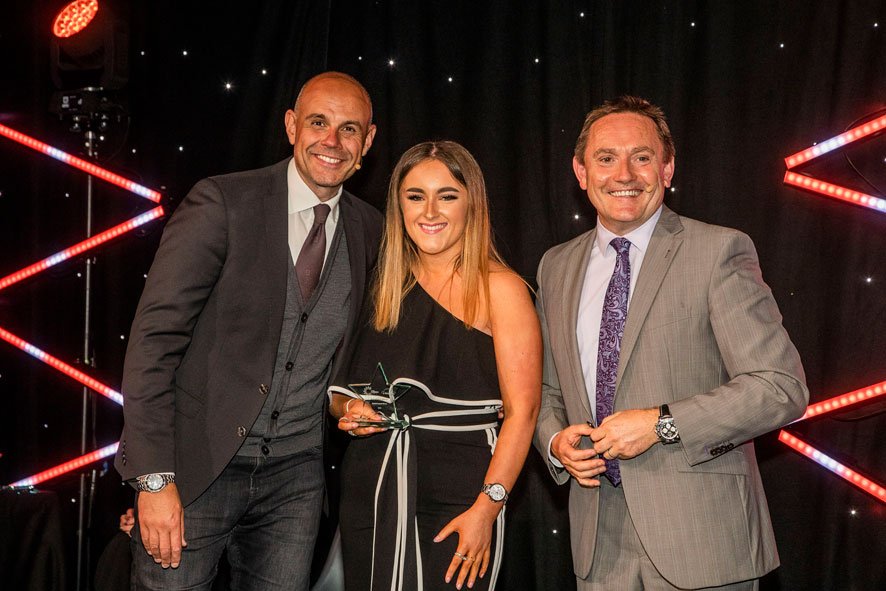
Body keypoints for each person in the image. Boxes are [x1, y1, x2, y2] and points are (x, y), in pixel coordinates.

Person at [114, 71, 383, 590]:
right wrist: (152, 479)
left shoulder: (370, 228)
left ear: (368, 141)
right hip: (195, 472)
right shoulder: (221, 203)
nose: (332, 141)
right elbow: (153, 343)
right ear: (290, 126)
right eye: (318, 123)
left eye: (349, 129)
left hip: (295, 482)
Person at [532, 96, 809, 590]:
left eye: (641, 157)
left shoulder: (718, 251)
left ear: (667, 167)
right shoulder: (556, 266)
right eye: (605, 158)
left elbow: (780, 387)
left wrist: (661, 424)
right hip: (598, 547)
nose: (624, 174)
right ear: (580, 171)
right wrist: (555, 442)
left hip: (702, 539)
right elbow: (546, 389)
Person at [329, 141, 541, 591]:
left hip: (462, 497)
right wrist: (350, 413)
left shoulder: (502, 289)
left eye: (447, 195)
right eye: (414, 196)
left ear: (472, 204)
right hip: (373, 488)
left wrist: (488, 508)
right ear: (398, 205)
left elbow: (523, 413)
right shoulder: (382, 285)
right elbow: (340, 393)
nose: (430, 210)